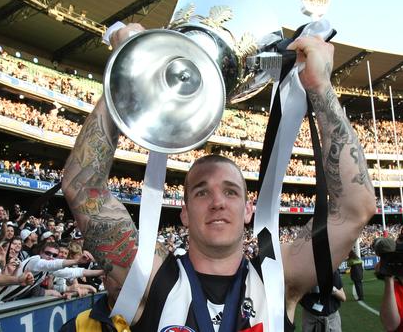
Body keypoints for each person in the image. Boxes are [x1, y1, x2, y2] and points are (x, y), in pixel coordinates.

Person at [61, 23, 376, 330]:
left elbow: (354, 209)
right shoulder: (149, 276)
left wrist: (320, 86)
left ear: (249, 209)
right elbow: (84, 188)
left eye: (231, 192)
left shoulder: (278, 280)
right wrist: (126, 66)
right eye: (200, 192)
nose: (217, 202)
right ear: (183, 213)